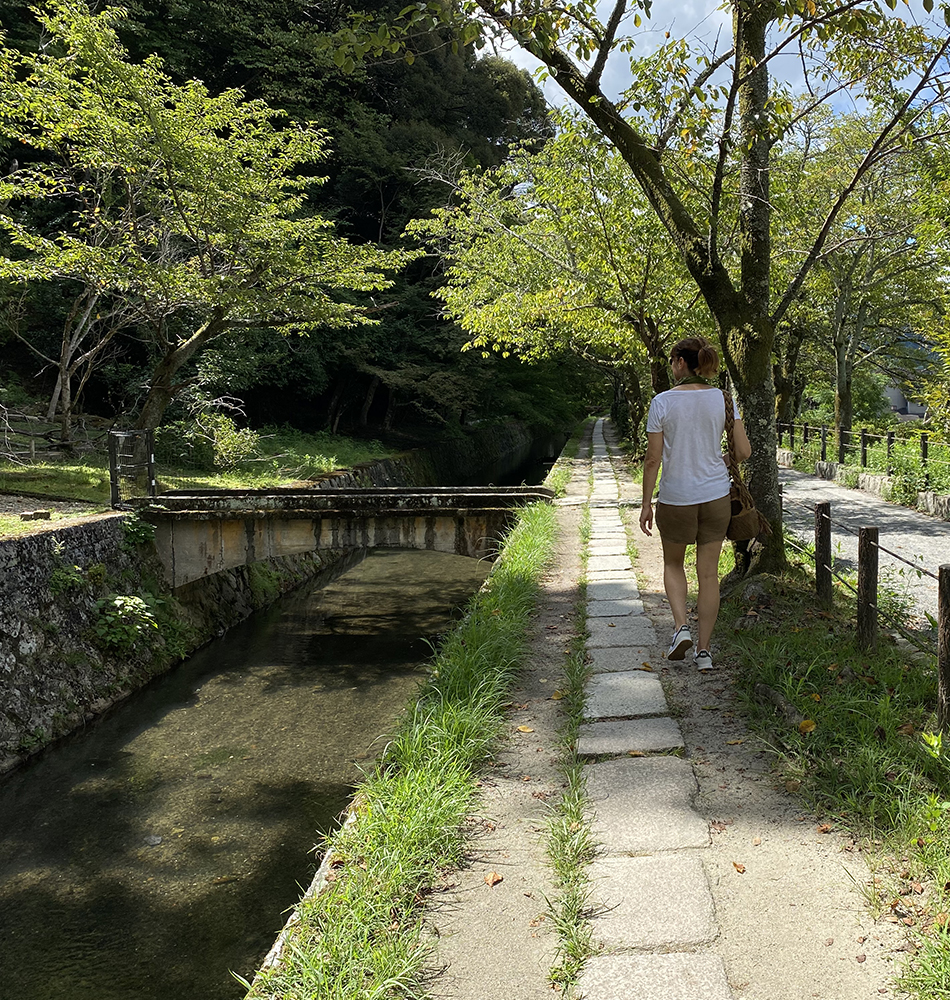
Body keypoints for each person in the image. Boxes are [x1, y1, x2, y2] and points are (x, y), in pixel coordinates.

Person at [638, 337, 751, 671]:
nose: (672, 366)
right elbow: (743, 452)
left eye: (673, 361)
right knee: (709, 575)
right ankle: (704, 653)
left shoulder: (662, 402)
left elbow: (652, 459)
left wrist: (646, 503)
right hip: (716, 497)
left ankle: (680, 629)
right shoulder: (724, 400)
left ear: (680, 362)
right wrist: (718, 461)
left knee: (673, 564)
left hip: (676, 498)